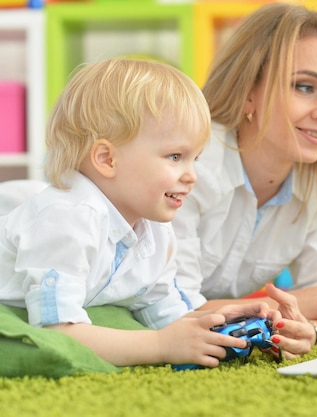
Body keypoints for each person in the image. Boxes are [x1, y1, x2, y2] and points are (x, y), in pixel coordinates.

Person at [0, 57, 287, 368]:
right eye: (175, 156)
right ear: (107, 159)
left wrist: (215, 322)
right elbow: (57, 333)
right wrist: (161, 346)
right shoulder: (68, 218)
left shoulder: (154, 228)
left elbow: (165, 311)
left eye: (195, 159)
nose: (192, 176)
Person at [172, 3, 317, 357]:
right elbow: (169, 313)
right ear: (248, 91)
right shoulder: (189, 165)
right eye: (305, 87)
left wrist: (311, 333)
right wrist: (316, 301)